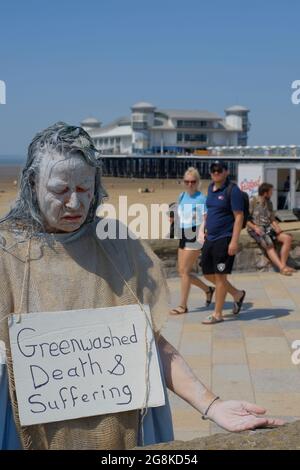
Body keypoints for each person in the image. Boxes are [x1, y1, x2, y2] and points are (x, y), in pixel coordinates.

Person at [0, 124, 282, 450]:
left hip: (120, 437)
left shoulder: (116, 243)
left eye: (84, 187)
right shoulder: (7, 251)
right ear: (32, 183)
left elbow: (149, 344)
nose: (75, 203)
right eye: (60, 190)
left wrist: (213, 405)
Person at [201, 161, 246, 324]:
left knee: (220, 277)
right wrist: (203, 229)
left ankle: (217, 314)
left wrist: (234, 241)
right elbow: (210, 211)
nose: (215, 173)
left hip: (224, 239)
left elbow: (239, 216)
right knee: (207, 273)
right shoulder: (210, 188)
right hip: (210, 238)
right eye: (213, 170)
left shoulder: (232, 191)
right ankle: (237, 294)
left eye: (219, 170)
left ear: (226, 172)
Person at [170, 167, 215, 315]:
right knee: (182, 271)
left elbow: (206, 219)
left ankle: (182, 306)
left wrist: (202, 233)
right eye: (187, 181)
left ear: (197, 182)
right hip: (183, 233)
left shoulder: (201, 198)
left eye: (193, 182)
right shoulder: (182, 195)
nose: (190, 184)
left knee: (184, 272)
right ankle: (208, 290)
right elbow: (180, 214)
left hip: (195, 234)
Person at [247, 182, 295, 276]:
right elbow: (246, 219)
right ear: (265, 193)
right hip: (256, 228)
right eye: (271, 192)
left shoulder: (269, 203)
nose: (272, 193)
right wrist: (255, 227)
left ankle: (284, 265)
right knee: (269, 244)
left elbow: (272, 219)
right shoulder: (252, 201)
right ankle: (282, 268)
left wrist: (278, 228)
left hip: (268, 228)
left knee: (287, 238)